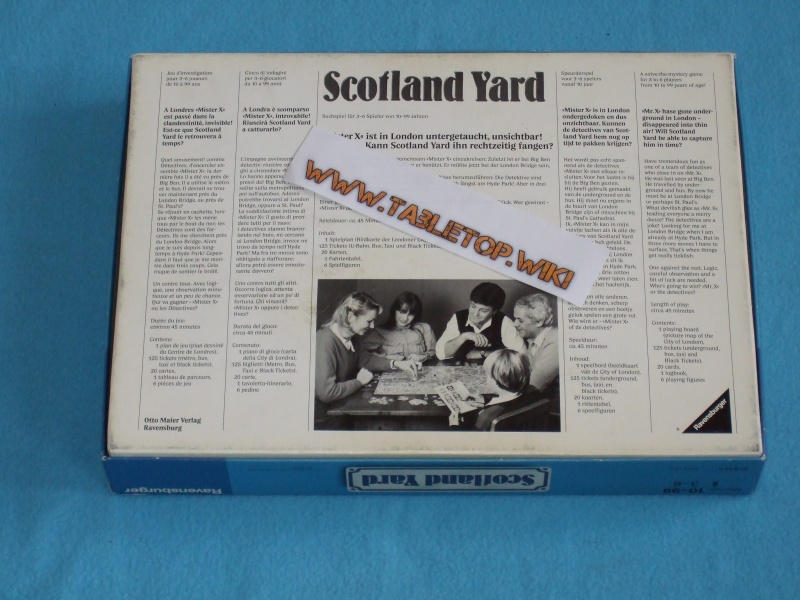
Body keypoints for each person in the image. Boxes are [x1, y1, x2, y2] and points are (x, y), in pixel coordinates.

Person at [315, 292, 421, 428]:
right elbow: (327, 393)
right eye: (369, 321)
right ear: (350, 316)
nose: (372, 326)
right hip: (324, 418)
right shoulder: (325, 341)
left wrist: (398, 364)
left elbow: (367, 360)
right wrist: (359, 382)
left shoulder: (352, 337)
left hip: (342, 406)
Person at [435, 282, 525, 361]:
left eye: (483, 310)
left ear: (494, 312)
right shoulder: (459, 317)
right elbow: (440, 354)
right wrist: (464, 336)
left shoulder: (504, 321)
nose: (475, 314)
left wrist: (484, 354)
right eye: (473, 306)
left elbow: (522, 354)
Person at [459, 349, 542, 431]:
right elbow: (511, 403)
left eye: (487, 375)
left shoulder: (487, 416)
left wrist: (454, 425)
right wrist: (486, 400)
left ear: (495, 380)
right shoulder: (535, 393)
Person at [362, 291, 437, 363]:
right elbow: (363, 355)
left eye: (411, 314)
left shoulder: (424, 329)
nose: (405, 318)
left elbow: (435, 353)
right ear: (394, 310)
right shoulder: (380, 332)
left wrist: (423, 356)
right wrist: (387, 357)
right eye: (402, 312)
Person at [512, 293, 559, 392]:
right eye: (515, 319)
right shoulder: (534, 338)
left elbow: (533, 385)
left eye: (520, 321)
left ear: (539, 322)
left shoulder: (555, 342)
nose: (514, 324)